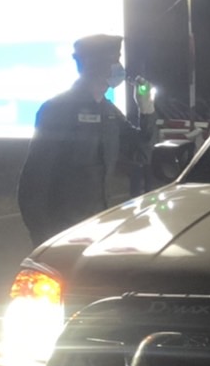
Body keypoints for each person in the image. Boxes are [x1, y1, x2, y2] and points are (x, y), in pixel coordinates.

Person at [17, 33, 156, 246]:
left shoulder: (108, 112)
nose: (119, 68)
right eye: (114, 61)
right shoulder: (58, 110)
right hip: (62, 231)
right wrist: (43, 238)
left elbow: (141, 153)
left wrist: (147, 109)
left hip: (97, 228)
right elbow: (35, 181)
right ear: (94, 65)